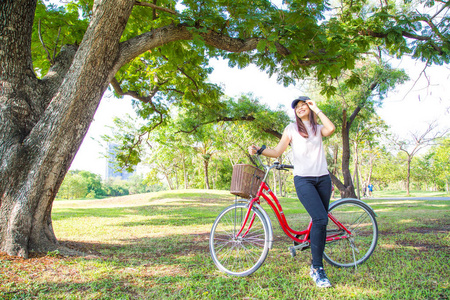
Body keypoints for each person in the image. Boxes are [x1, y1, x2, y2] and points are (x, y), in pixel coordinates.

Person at [249, 96, 336, 288]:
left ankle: (315, 263)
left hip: (323, 179)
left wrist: (317, 109)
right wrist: (259, 150)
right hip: (303, 179)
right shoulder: (291, 128)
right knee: (321, 219)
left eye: (304, 105)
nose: (300, 108)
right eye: (297, 106)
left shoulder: (318, 128)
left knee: (319, 221)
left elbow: (331, 129)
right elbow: (277, 151)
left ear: (310, 107)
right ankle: (317, 268)